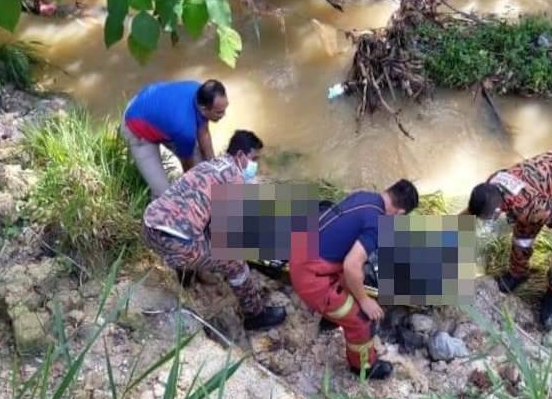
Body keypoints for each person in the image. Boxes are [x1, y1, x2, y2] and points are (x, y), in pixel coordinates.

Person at [140, 130, 286, 332]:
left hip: (149, 227)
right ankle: (256, 315)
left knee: (202, 233)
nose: (255, 165)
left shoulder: (209, 166)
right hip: (178, 242)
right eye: (254, 159)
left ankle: (187, 277)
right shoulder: (233, 175)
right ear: (241, 156)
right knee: (235, 262)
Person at [289, 180, 419, 381]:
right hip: (312, 276)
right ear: (400, 213)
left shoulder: (364, 197)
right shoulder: (377, 223)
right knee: (363, 321)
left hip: (304, 253)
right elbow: (351, 265)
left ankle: (331, 318)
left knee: (354, 291)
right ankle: (363, 367)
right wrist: (365, 301)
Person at [465, 149, 552, 332]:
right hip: (549, 175)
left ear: (497, 211)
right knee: (522, 237)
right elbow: (471, 211)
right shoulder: (491, 185)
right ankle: (518, 274)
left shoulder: (530, 206)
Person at [122, 79, 229, 198]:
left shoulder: (200, 92)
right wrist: (196, 189)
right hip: (136, 126)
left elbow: (203, 132)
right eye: (219, 112)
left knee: (202, 166)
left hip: (158, 113)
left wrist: (213, 167)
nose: (224, 115)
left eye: (225, 109)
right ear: (204, 109)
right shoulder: (185, 130)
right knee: (164, 194)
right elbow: (188, 168)